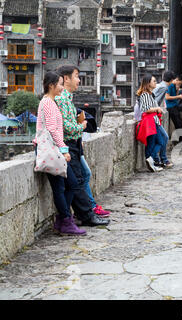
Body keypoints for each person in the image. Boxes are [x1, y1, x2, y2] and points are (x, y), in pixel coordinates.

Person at [55, 65, 109, 227]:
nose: (79, 80)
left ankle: (84, 212)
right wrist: (83, 126)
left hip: (74, 144)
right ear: (66, 79)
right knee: (76, 180)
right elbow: (67, 127)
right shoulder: (62, 99)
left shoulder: (67, 98)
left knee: (81, 177)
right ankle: (84, 215)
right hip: (68, 145)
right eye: (77, 76)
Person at [34, 71, 86, 236]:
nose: (62, 87)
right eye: (60, 84)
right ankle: (65, 220)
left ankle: (63, 220)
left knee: (70, 184)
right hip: (52, 149)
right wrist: (64, 150)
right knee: (61, 186)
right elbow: (51, 129)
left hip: (54, 148)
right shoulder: (48, 103)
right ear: (51, 86)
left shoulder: (51, 102)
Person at [136, 75, 172, 172]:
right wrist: (157, 108)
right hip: (151, 121)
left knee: (155, 141)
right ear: (148, 84)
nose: (156, 83)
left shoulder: (149, 94)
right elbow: (146, 109)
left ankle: (152, 161)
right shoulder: (145, 95)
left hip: (153, 120)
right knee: (159, 140)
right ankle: (151, 159)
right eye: (154, 81)